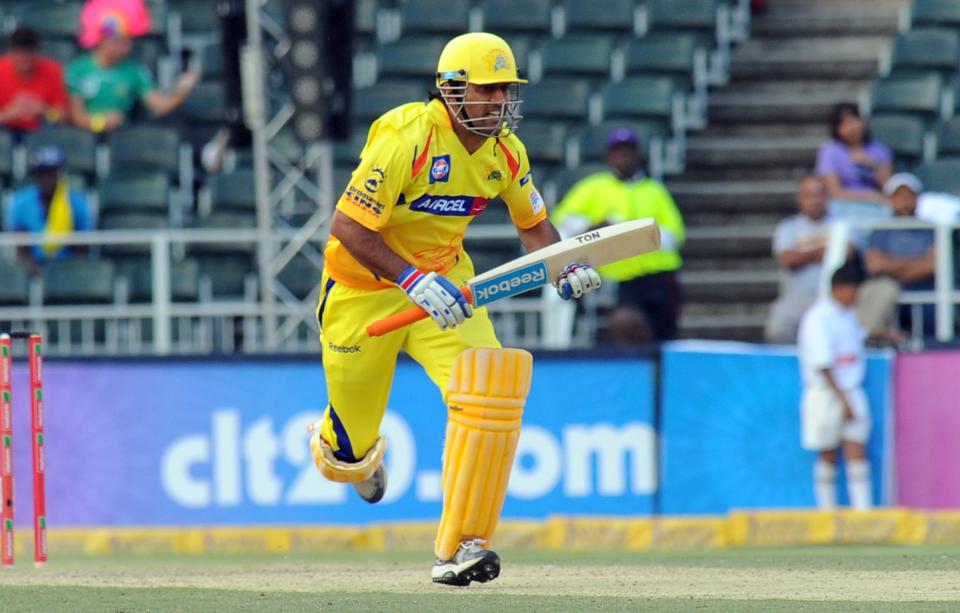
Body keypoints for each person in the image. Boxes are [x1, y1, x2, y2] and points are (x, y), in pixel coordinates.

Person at [307, 32, 601, 586]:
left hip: (447, 288)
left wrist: (563, 266)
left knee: (490, 390)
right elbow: (346, 228)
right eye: (488, 91)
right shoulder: (409, 136)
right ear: (452, 89)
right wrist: (408, 277)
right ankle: (354, 458)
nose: (500, 102)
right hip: (361, 292)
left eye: (505, 90)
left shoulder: (506, 153)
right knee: (350, 446)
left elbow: (534, 225)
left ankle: (463, 544)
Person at [550, 127, 685, 342]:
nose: (624, 156)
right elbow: (562, 218)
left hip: (660, 275)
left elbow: (675, 235)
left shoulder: (654, 190)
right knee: (627, 323)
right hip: (623, 278)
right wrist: (591, 226)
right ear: (608, 156)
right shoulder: (594, 188)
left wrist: (631, 233)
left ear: (637, 155)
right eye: (618, 151)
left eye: (628, 151)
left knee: (666, 335)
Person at [798, 258, 872, 511]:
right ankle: (827, 513)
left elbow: (857, 339)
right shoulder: (818, 318)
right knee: (827, 452)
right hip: (826, 391)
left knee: (856, 449)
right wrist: (843, 400)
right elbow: (823, 363)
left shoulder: (847, 315)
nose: (857, 296)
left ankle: (863, 513)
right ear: (840, 288)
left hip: (851, 387)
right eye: (854, 290)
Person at [67, 0, 198, 133]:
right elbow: (75, 115)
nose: (127, 47)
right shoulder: (78, 70)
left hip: (121, 137)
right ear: (103, 40)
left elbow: (159, 105)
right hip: (84, 136)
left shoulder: (135, 71)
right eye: (119, 41)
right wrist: (101, 122)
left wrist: (181, 90)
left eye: (128, 41)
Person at [860, 173, 937, 336]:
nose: (905, 201)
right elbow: (875, 265)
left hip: (925, 292)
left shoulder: (931, 228)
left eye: (909, 196)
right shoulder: (882, 229)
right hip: (891, 292)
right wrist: (916, 264)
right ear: (890, 200)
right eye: (899, 196)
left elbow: (933, 266)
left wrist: (892, 267)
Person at [766, 176, 835, 343]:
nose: (815, 200)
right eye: (809, 195)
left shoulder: (841, 224)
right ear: (800, 198)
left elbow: (846, 253)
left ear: (827, 197)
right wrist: (822, 252)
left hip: (833, 300)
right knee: (777, 328)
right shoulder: (788, 227)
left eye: (819, 194)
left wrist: (803, 254)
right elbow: (787, 259)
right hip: (796, 299)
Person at [6, 146, 92, 276]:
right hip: (32, 271)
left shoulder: (78, 204)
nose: (47, 179)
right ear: (35, 177)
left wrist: (61, 274)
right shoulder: (20, 204)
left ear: (61, 175)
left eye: (52, 174)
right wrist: (37, 272)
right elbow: (21, 252)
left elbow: (80, 251)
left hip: (68, 272)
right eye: (42, 174)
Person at [815, 103, 893, 221]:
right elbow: (834, 192)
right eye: (844, 124)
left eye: (853, 121)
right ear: (837, 129)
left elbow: (890, 187)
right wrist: (866, 196)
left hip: (876, 205)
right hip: (844, 206)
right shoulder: (829, 151)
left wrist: (872, 165)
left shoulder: (879, 150)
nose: (851, 128)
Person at [0, 26, 68, 139]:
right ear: (11, 53)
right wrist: (8, 114)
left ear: (36, 53)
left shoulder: (53, 71)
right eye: (20, 56)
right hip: (5, 131)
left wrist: (44, 111)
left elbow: (62, 117)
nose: (24, 62)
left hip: (42, 132)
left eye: (29, 56)